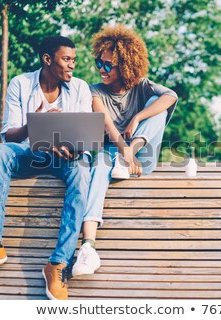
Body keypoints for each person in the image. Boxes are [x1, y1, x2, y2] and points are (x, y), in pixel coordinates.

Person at [0, 36, 93, 300]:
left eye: (74, 60)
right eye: (66, 59)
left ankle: (58, 263)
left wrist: (73, 146)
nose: (72, 66)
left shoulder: (80, 88)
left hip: (64, 158)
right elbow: (9, 136)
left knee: (82, 168)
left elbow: (84, 138)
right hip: (29, 153)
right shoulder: (20, 84)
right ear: (47, 59)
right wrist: (36, 126)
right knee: (0, 152)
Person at [71, 25, 178, 277]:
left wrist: (137, 120)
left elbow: (171, 96)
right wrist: (123, 151)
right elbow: (107, 125)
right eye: (99, 62)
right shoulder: (94, 90)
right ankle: (88, 248)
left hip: (141, 154)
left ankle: (129, 151)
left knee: (157, 105)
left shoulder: (141, 86)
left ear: (126, 65)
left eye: (109, 65)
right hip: (112, 151)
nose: (101, 69)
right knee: (97, 168)